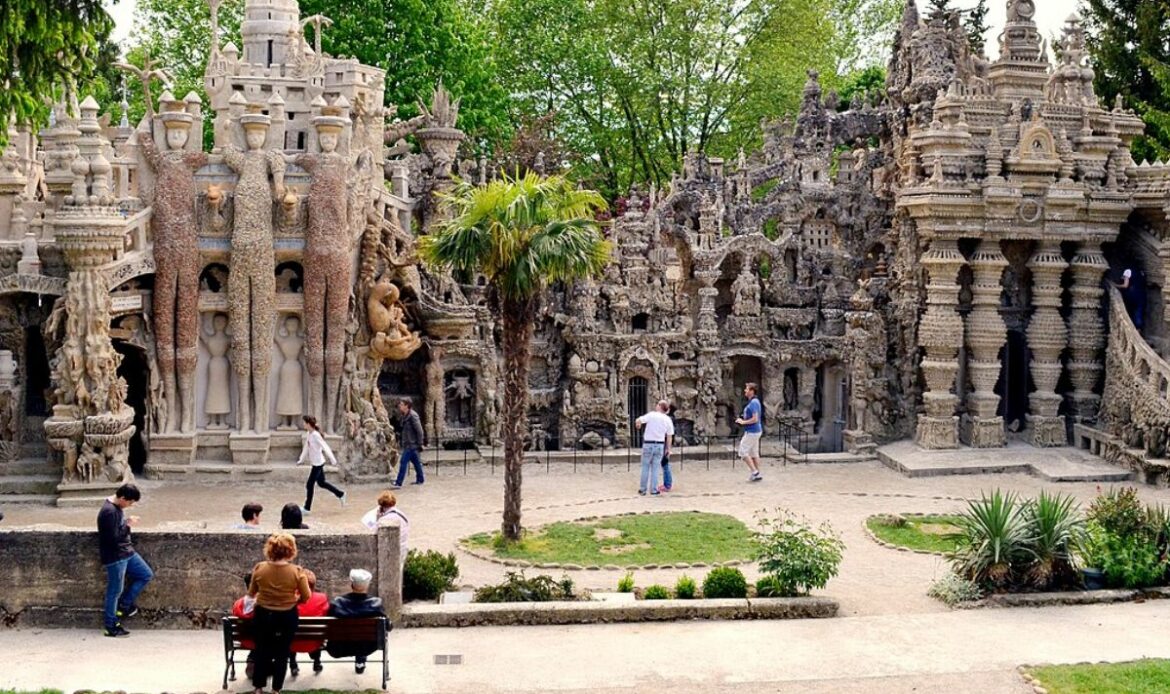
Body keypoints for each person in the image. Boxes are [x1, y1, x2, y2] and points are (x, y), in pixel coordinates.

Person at [248, 532, 311, 694]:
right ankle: (276, 689)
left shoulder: (260, 568)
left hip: (263, 614)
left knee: (262, 650)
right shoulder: (297, 572)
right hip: (286, 615)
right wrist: (294, 599)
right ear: (291, 551)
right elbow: (306, 596)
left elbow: (252, 592)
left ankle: (258, 687)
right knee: (283, 651)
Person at [98, 483, 154, 637]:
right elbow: (113, 539)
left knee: (145, 574)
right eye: (129, 502)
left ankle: (124, 605)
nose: (130, 505)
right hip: (116, 557)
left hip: (127, 552)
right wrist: (128, 524)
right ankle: (111, 626)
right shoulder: (109, 512)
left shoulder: (116, 508)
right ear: (122, 498)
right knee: (114, 591)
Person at [327, 568, 386, 674]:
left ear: (351, 584)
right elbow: (388, 626)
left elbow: (328, 625)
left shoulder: (337, 603)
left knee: (356, 637)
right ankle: (360, 661)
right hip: (367, 646)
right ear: (367, 585)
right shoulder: (376, 604)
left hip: (340, 646)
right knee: (362, 639)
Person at [298, 414, 345, 513]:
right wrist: (301, 459)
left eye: (304, 423)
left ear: (308, 424)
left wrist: (333, 460)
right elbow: (306, 447)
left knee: (309, 485)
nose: (303, 424)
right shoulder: (309, 434)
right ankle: (340, 494)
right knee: (321, 483)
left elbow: (325, 447)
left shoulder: (316, 435)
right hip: (315, 463)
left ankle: (307, 508)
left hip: (318, 464)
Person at [288, 568, 329, 677]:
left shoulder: (289, 599)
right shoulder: (321, 598)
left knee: (289, 632)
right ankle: (317, 662)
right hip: (314, 643)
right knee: (317, 630)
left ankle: (293, 665)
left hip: (292, 644)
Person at [634, 399, 674, 496]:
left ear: (659, 406)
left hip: (648, 443)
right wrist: (668, 449)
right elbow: (669, 436)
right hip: (660, 444)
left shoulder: (652, 415)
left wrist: (638, 424)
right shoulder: (668, 419)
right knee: (655, 468)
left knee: (645, 466)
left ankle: (643, 489)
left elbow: (639, 419)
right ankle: (654, 489)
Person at [362, 490, 410, 565]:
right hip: (403, 550)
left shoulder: (384, 520)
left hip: (392, 554)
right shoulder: (401, 514)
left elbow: (375, 534)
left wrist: (378, 519)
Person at [392, 399, 425, 489]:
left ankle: (399, 482)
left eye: (402, 404)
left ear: (407, 406)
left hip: (411, 444)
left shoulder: (413, 416)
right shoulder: (405, 416)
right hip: (408, 443)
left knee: (403, 462)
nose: (400, 406)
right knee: (416, 462)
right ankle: (420, 479)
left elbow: (419, 431)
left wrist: (420, 443)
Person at [735, 382, 764, 482]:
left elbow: (755, 418)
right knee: (754, 453)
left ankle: (754, 472)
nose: (745, 391)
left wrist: (743, 422)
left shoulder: (754, 403)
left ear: (752, 391)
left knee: (743, 451)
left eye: (747, 389)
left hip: (752, 431)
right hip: (754, 430)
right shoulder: (754, 402)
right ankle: (757, 473)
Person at [1116, 266, 1147, 332]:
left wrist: (1115, 285)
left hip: (1131, 295)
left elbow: (1125, 285)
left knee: (1130, 312)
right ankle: (1138, 330)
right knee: (1139, 312)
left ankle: (1131, 330)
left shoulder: (1128, 271)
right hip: (1142, 295)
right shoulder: (1141, 273)